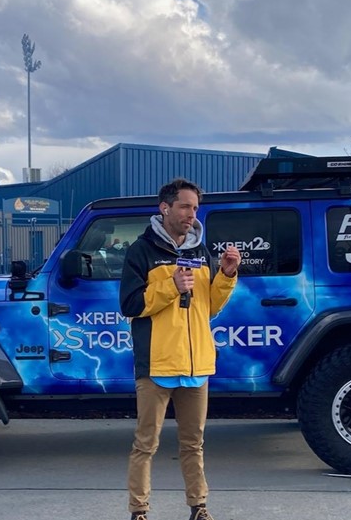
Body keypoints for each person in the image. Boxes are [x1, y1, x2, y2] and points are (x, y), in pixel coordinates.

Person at [119, 178, 240, 520]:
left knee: (194, 445)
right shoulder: (141, 251)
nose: (192, 214)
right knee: (145, 445)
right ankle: (139, 511)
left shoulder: (201, 251)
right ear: (165, 208)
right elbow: (130, 304)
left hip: (196, 366)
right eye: (185, 207)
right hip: (157, 366)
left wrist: (227, 276)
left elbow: (210, 307)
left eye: (195, 208)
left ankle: (199, 508)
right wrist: (171, 286)